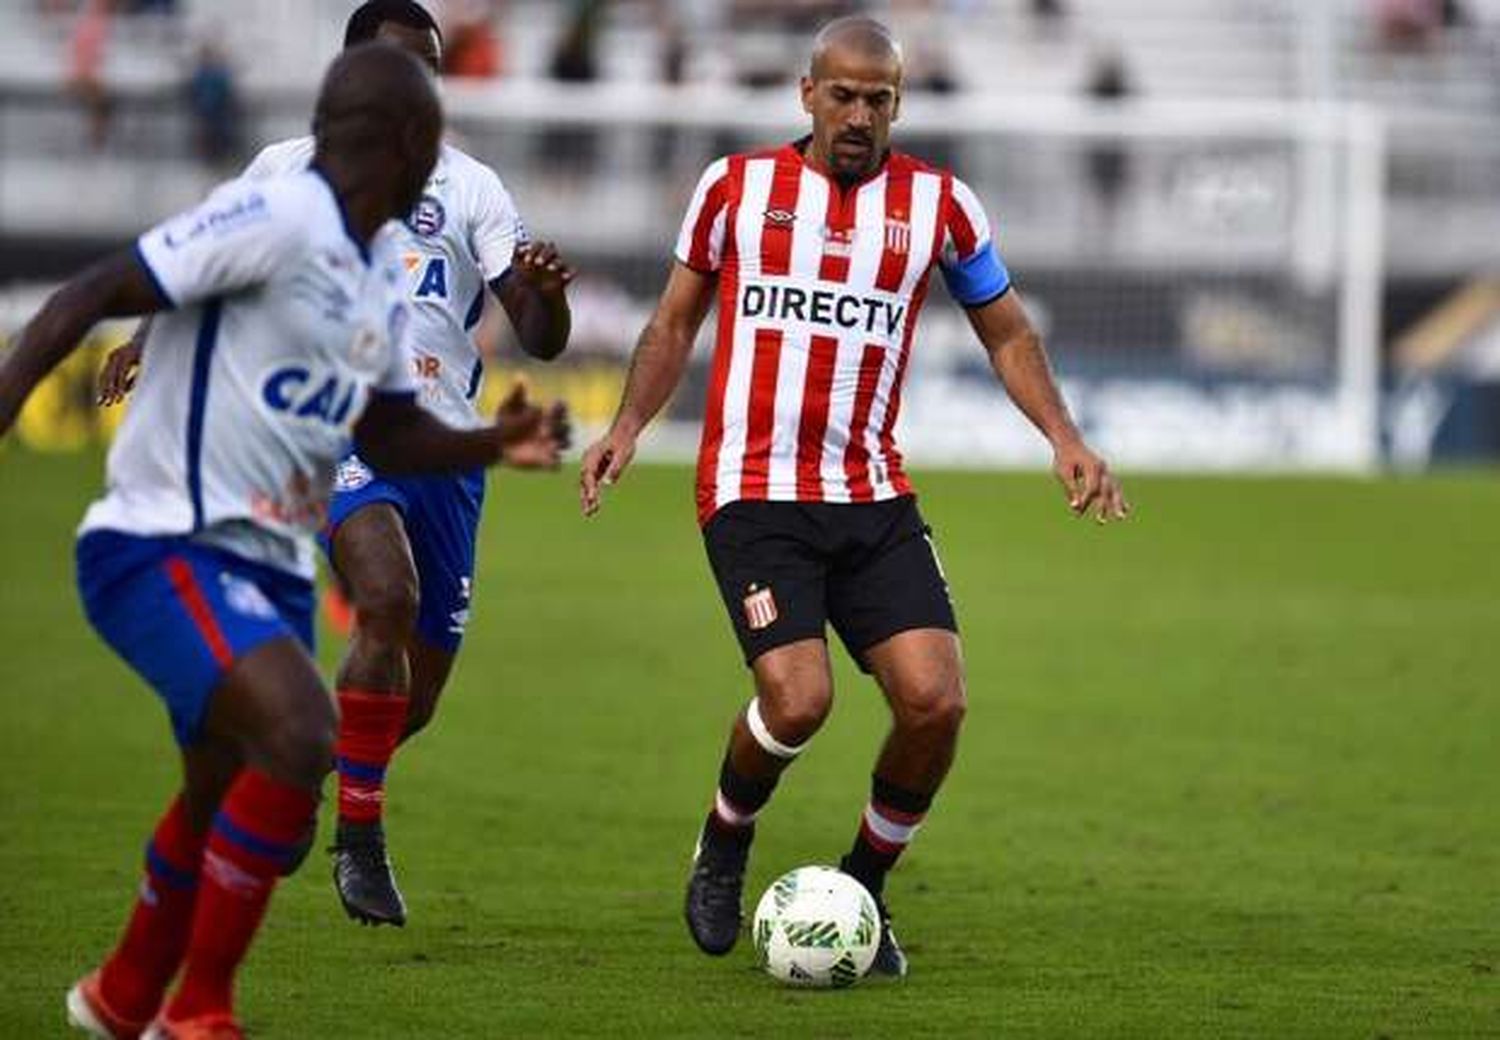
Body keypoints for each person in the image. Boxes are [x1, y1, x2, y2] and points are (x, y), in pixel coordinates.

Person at [1, 43, 563, 1040]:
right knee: (302, 731)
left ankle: (124, 993)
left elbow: (390, 430)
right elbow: (80, 298)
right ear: (410, 147)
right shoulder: (275, 211)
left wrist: (494, 438)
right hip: (163, 539)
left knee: (224, 780)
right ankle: (202, 1010)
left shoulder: (374, 284)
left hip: (263, 561)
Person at [580, 16, 1129, 978]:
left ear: (899, 106)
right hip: (753, 493)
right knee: (798, 703)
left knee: (937, 704)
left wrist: (1066, 437)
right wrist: (628, 426)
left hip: (871, 496)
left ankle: (864, 889)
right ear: (807, 93)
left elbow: (1006, 332)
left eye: (880, 100)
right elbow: (673, 321)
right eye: (843, 95)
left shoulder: (941, 207)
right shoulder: (735, 189)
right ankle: (725, 837)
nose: (860, 115)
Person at [98, 0, 576, 930]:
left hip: (443, 449)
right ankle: (360, 843)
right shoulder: (286, 170)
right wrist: (151, 336)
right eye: (402, 68)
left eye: (431, 72)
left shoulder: (472, 186)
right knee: (383, 597)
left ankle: (280, 758)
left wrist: (546, 296)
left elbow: (538, 332)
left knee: (412, 698)